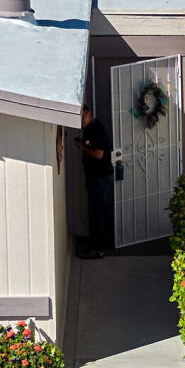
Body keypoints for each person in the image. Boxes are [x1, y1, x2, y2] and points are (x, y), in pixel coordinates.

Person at [78, 108, 113, 259]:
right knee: (99, 209)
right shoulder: (88, 129)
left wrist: (82, 147)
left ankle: (98, 246)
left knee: (97, 211)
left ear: (88, 114)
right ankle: (100, 241)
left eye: (81, 117)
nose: (79, 121)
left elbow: (99, 154)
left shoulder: (97, 129)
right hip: (95, 177)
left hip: (100, 177)